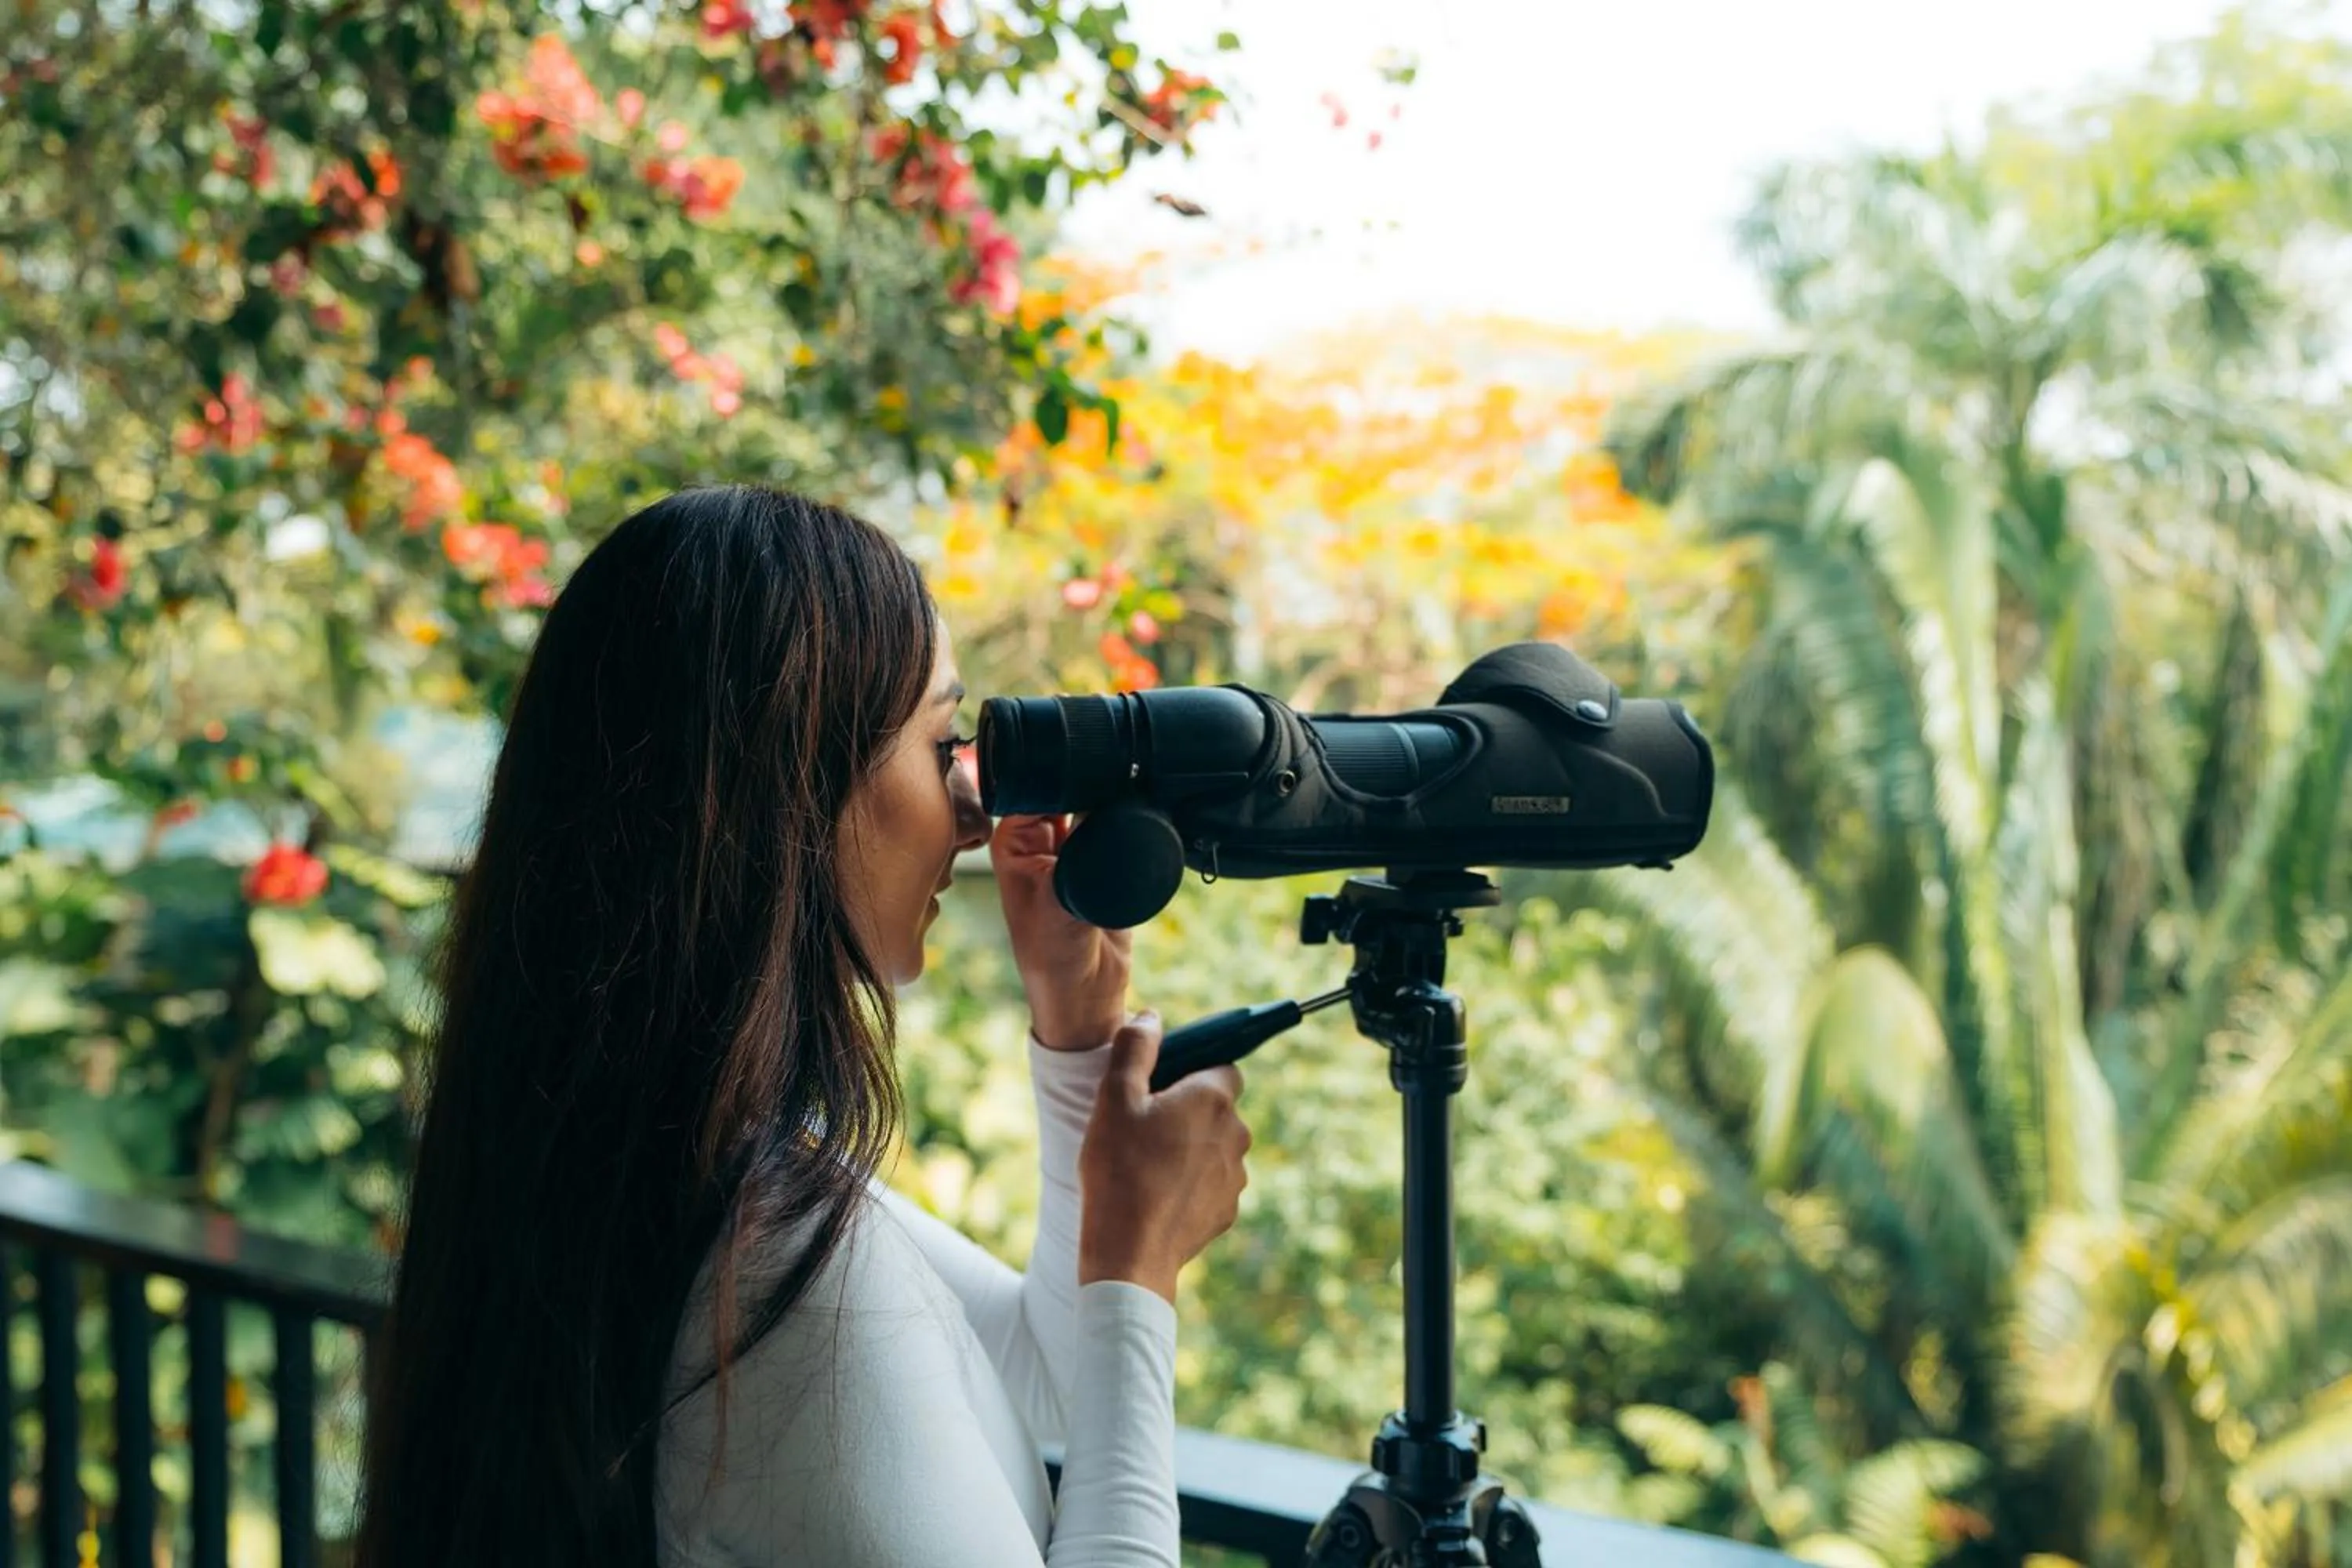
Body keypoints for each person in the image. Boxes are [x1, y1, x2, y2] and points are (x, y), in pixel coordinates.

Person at [353, 485, 1253, 1568]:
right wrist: (1136, 1260)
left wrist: (1079, 1043)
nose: (975, 812)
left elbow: (1045, 1370)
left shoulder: (675, 1157)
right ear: (789, 788)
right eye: (941, 742)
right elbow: (1069, 1366)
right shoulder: (773, 1276)